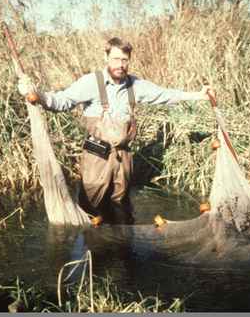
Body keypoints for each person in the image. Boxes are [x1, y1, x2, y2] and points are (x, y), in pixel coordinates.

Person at [18, 37, 214, 225]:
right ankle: (93, 249)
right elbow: (62, 101)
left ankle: (122, 248)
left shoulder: (135, 85)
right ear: (106, 58)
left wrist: (199, 95)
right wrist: (38, 95)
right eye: (116, 59)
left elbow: (165, 95)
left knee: (121, 206)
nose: (120, 64)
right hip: (97, 155)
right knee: (91, 204)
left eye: (124, 60)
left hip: (123, 156)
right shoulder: (91, 82)